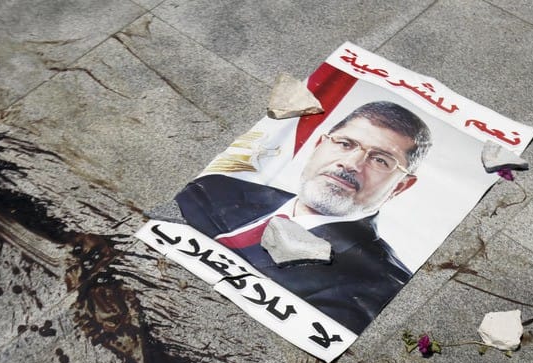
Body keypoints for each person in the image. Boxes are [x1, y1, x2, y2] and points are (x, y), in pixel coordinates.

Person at [175, 101, 432, 334]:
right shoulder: (216, 189)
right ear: (319, 145)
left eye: (380, 160)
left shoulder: (382, 286)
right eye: (345, 144)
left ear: (399, 187)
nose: (351, 163)